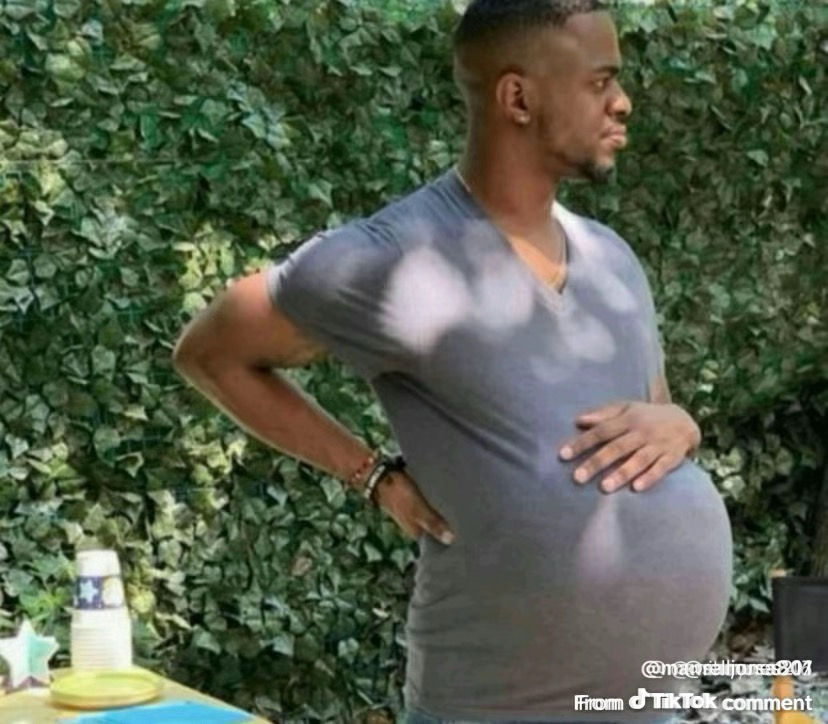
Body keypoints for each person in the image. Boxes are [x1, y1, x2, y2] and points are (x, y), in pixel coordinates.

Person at [173, 0, 733, 722]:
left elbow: (654, 418)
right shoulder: (388, 259)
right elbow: (211, 354)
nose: (622, 102)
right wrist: (371, 476)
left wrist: (682, 424)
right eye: (600, 81)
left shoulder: (612, 259)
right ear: (517, 97)